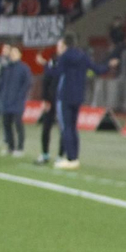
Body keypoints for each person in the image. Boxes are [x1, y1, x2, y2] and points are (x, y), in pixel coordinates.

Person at [48, 36, 113, 169]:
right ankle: (75, 157)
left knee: (66, 127)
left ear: (65, 44)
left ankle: (70, 158)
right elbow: (97, 69)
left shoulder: (64, 57)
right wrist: (109, 65)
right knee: (73, 127)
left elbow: (57, 72)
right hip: (78, 95)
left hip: (65, 95)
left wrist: (48, 66)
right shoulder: (83, 56)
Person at [0, 45, 32, 156]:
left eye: (15, 53)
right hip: (6, 101)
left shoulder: (24, 68)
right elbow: (1, 82)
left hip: (17, 102)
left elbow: (27, 83)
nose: (13, 55)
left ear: (20, 55)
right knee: (6, 124)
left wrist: (20, 96)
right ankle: (10, 147)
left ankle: (20, 148)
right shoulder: (6, 67)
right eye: (12, 53)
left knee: (18, 124)